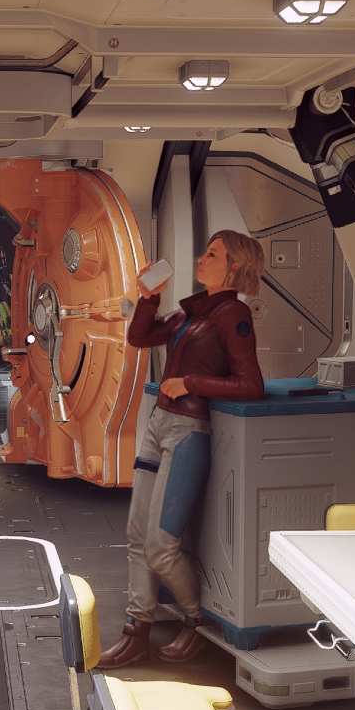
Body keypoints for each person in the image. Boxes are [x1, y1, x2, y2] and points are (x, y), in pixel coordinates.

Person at [96, 231, 267, 668]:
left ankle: (195, 621)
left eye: (212, 254)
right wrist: (148, 298)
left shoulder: (234, 315)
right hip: (160, 424)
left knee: (160, 545)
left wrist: (190, 383)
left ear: (234, 267)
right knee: (137, 537)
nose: (201, 259)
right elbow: (140, 337)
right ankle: (136, 630)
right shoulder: (194, 311)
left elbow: (251, 385)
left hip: (188, 430)